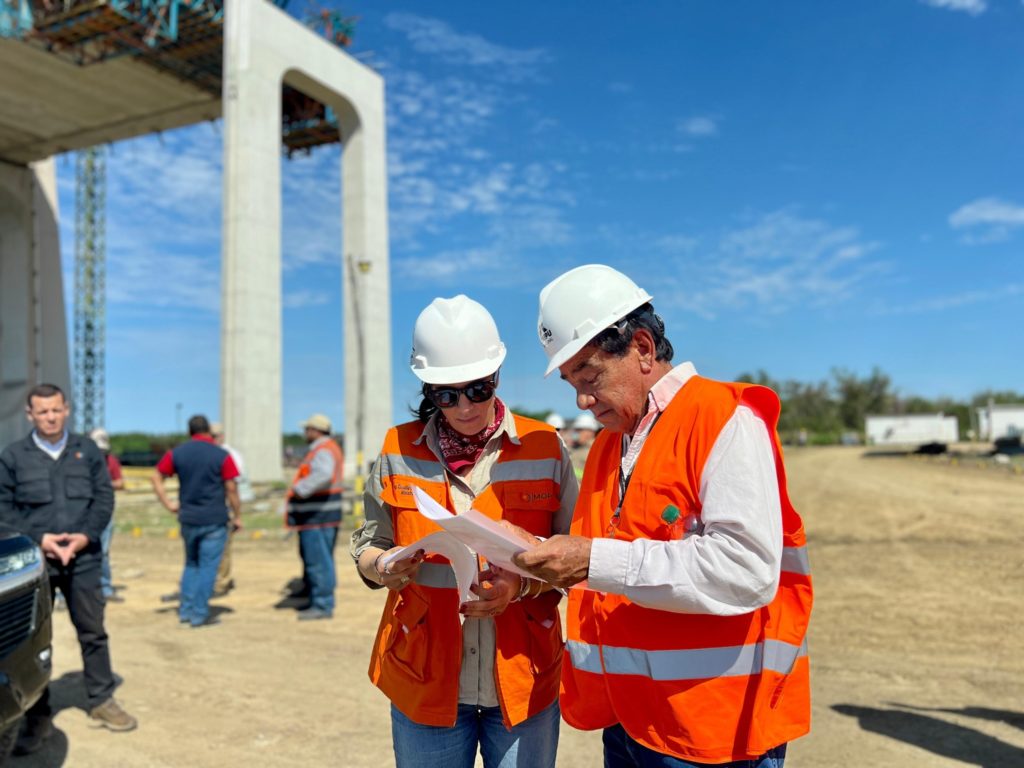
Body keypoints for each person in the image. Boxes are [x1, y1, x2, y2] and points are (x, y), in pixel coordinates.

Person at [514, 264, 813, 767]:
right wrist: (530, 567)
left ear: (643, 348)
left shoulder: (722, 418)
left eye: (590, 376)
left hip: (713, 728)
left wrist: (594, 560)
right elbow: (598, 559)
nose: (583, 400)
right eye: (571, 384)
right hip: (630, 720)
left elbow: (746, 569)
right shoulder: (610, 445)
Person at [350, 295, 579, 768]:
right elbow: (370, 543)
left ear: (496, 375)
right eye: (446, 395)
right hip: (425, 673)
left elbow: (574, 559)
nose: (465, 406)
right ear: (428, 390)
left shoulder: (545, 446)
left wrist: (522, 586)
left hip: (522, 673)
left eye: (478, 389)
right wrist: (382, 567)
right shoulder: (396, 448)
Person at [0, 384, 137, 754]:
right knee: (30, 640)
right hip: (35, 565)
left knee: (93, 631)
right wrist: (39, 539)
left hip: (84, 558)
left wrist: (84, 537)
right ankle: (37, 716)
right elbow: (3, 508)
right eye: (42, 411)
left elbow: (104, 498)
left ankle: (101, 699)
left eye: (56, 410)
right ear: (30, 414)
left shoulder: (86, 450)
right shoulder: (13, 456)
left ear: (67, 410)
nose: (50, 417)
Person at [151, 415, 240, 628]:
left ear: (189, 432)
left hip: (188, 518)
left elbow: (156, 477)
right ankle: (199, 614)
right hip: (214, 519)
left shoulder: (177, 453)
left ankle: (186, 611)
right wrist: (238, 515)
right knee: (208, 567)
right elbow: (231, 488)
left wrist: (168, 503)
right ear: (209, 431)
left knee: (191, 564)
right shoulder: (222, 455)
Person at [285, 413, 344, 620]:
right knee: (318, 559)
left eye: (306, 429)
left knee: (318, 561)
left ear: (314, 430)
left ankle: (322, 604)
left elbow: (323, 475)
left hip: (318, 516)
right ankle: (314, 595)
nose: (304, 433)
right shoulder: (326, 447)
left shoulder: (323, 449)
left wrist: (299, 489)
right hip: (320, 516)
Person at [210, 421, 253, 596]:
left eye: (214, 436)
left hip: (224, 507)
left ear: (221, 436)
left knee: (223, 547)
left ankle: (221, 582)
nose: (212, 439)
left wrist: (236, 513)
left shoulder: (230, 455)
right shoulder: (209, 453)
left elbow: (233, 487)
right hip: (209, 507)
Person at [89, 427, 125, 603]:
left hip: (104, 512)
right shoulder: (80, 460)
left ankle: (105, 588)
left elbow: (120, 482)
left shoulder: (111, 461)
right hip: (83, 512)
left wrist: (103, 484)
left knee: (103, 552)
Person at [568, 411, 601, 478]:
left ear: (590, 432)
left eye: (580, 430)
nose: (576, 433)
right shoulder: (575, 448)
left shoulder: (596, 450)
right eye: (576, 430)